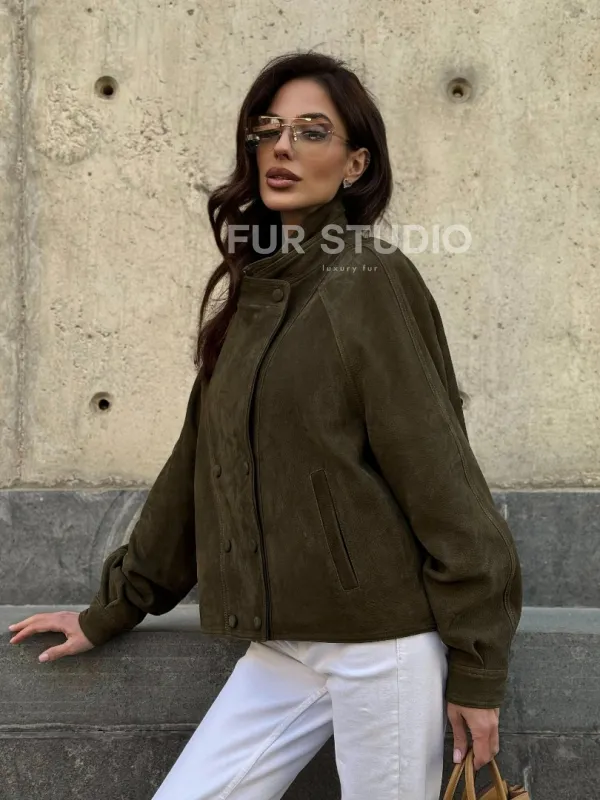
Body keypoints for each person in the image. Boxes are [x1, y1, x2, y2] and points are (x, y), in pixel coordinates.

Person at [8, 51, 523, 800]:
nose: (283, 147)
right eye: (268, 130)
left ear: (354, 164)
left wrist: (478, 666)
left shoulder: (367, 277)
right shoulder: (254, 293)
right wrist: (113, 608)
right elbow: (195, 472)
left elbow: (439, 472)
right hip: (284, 644)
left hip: (380, 646)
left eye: (312, 131)